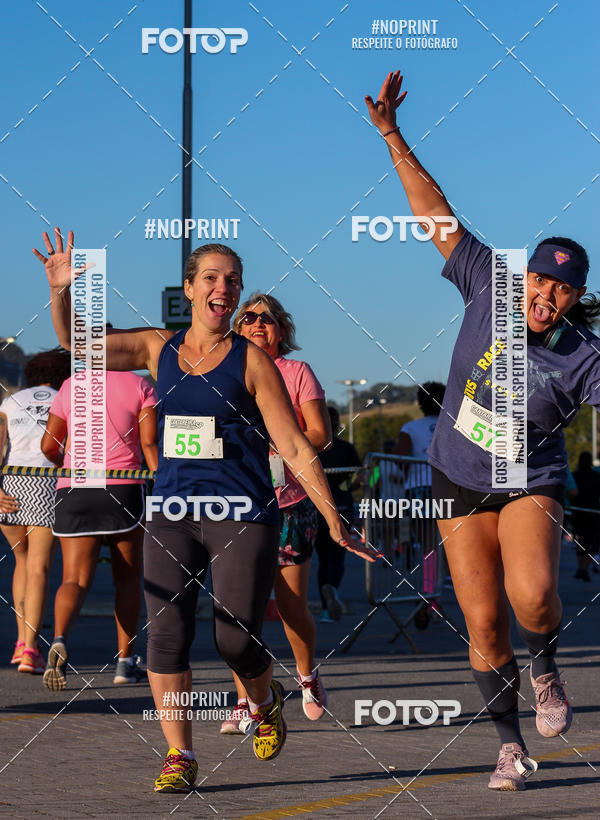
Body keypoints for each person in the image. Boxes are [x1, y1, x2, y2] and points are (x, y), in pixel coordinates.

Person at [34, 229, 378, 794]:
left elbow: (293, 444)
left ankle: (265, 702)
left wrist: (335, 519)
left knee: (235, 639)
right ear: (190, 288)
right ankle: (179, 755)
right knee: (164, 639)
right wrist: (62, 291)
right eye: (212, 278)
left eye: (232, 280)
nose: (224, 287)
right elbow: (82, 342)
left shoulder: (253, 362)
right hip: (170, 511)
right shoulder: (156, 348)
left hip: (241, 511)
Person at [365, 70, 600, 791]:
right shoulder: (486, 283)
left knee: (531, 597)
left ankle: (548, 668)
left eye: (561, 289)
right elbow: (434, 211)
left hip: (530, 479)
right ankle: (508, 744)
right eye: (540, 280)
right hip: (457, 475)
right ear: (522, 276)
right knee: (482, 622)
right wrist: (393, 137)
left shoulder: (582, 357)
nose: (545, 296)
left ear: (574, 298)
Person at [220, 292, 331, 730]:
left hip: (289, 504)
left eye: (266, 320)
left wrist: (284, 445)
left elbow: (319, 434)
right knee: (236, 610)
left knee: (289, 605)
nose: (257, 325)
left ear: (281, 330)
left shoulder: (297, 372)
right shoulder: (225, 372)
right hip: (236, 503)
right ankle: (246, 700)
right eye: (247, 319)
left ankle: (307, 676)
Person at [41, 368, 158, 688]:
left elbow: (49, 445)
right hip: (123, 487)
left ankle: (60, 639)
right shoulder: (140, 384)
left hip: (75, 488)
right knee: (128, 579)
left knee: (74, 579)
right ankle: (124, 663)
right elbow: (149, 444)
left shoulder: (69, 385)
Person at [0, 349, 71, 673]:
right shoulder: (65, 398)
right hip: (46, 481)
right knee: (40, 567)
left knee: (21, 562)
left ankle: (19, 642)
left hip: (11, 482)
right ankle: (31, 649)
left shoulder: (10, 402)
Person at [395, 383, 446, 628]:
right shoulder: (453, 425)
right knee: (445, 546)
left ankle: (429, 597)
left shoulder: (410, 428)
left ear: (420, 403)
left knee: (427, 546)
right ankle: (434, 595)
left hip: (419, 491)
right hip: (448, 488)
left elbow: (399, 460)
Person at [315, 406, 361, 622]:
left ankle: (326, 604)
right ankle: (333, 588)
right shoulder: (345, 448)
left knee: (323, 559)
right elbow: (360, 477)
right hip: (341, 505)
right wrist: (348, 489)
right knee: (338, 556)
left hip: (315, 506)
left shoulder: (311, 446)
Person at [571, 451, 600, 582]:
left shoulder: (575, 476)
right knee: (592, 542)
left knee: (580, 540)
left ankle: (581, 567)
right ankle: (584, 568)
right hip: (593, 512)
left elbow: (570, 492)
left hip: (577, 512)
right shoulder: (596, 476)